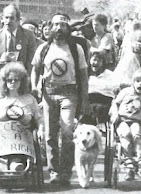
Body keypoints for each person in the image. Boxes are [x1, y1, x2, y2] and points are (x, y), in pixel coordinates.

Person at [31, 12, 91, 185]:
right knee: (49, 133)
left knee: (66, 131)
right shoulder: (43, 48)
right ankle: (54, 171)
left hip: (70, 94)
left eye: (63, 25)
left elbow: (83, 74)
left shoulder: (75, 48)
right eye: (56, 25)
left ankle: (66, 171)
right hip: (49, 94)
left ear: (68, 28)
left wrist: (85, 98)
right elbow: (35, 69)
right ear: (50, 28)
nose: (59, 28)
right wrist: (35, 86)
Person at [0, 62, 43, 171]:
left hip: (21, 137)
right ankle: (0, 164)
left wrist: (40, 130)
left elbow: (39, 118)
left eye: (16, 79)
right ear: (4, 82)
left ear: (22, 81)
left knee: (17, 156)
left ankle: (16, 163)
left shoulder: (30, 99)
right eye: (10, 80)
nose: (13, 82)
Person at [110, 70, 141, 181]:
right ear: (133, 82)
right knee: (125, 134)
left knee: (136, 133)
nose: (140, 84)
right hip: (122, 120)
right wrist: (114, 113)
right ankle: (129, 163)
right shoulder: (126, 92)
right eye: (137, 81)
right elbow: (115, 103)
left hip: (136, 121)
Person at [0, 3, 37, 77]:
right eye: (6, 18)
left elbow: (30, 63)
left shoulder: (28, 36)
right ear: (2, 19)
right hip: (1, 81)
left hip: (21, 80)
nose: (8, 21)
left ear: (18, 20)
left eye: (11, 18)